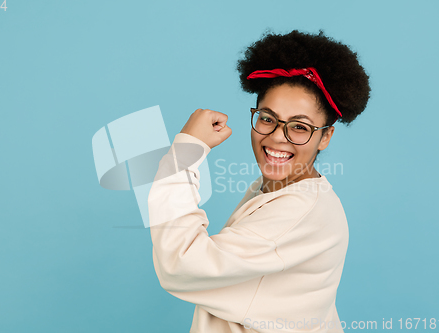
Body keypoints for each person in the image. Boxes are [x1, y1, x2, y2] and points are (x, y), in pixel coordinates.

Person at [148, 29, 371, 333]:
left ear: (325, 136)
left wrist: (185, 152)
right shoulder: (279, 188)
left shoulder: (298, 211)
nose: (278, 136)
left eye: (300, 127)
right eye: (267, 118)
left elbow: (181, 265)